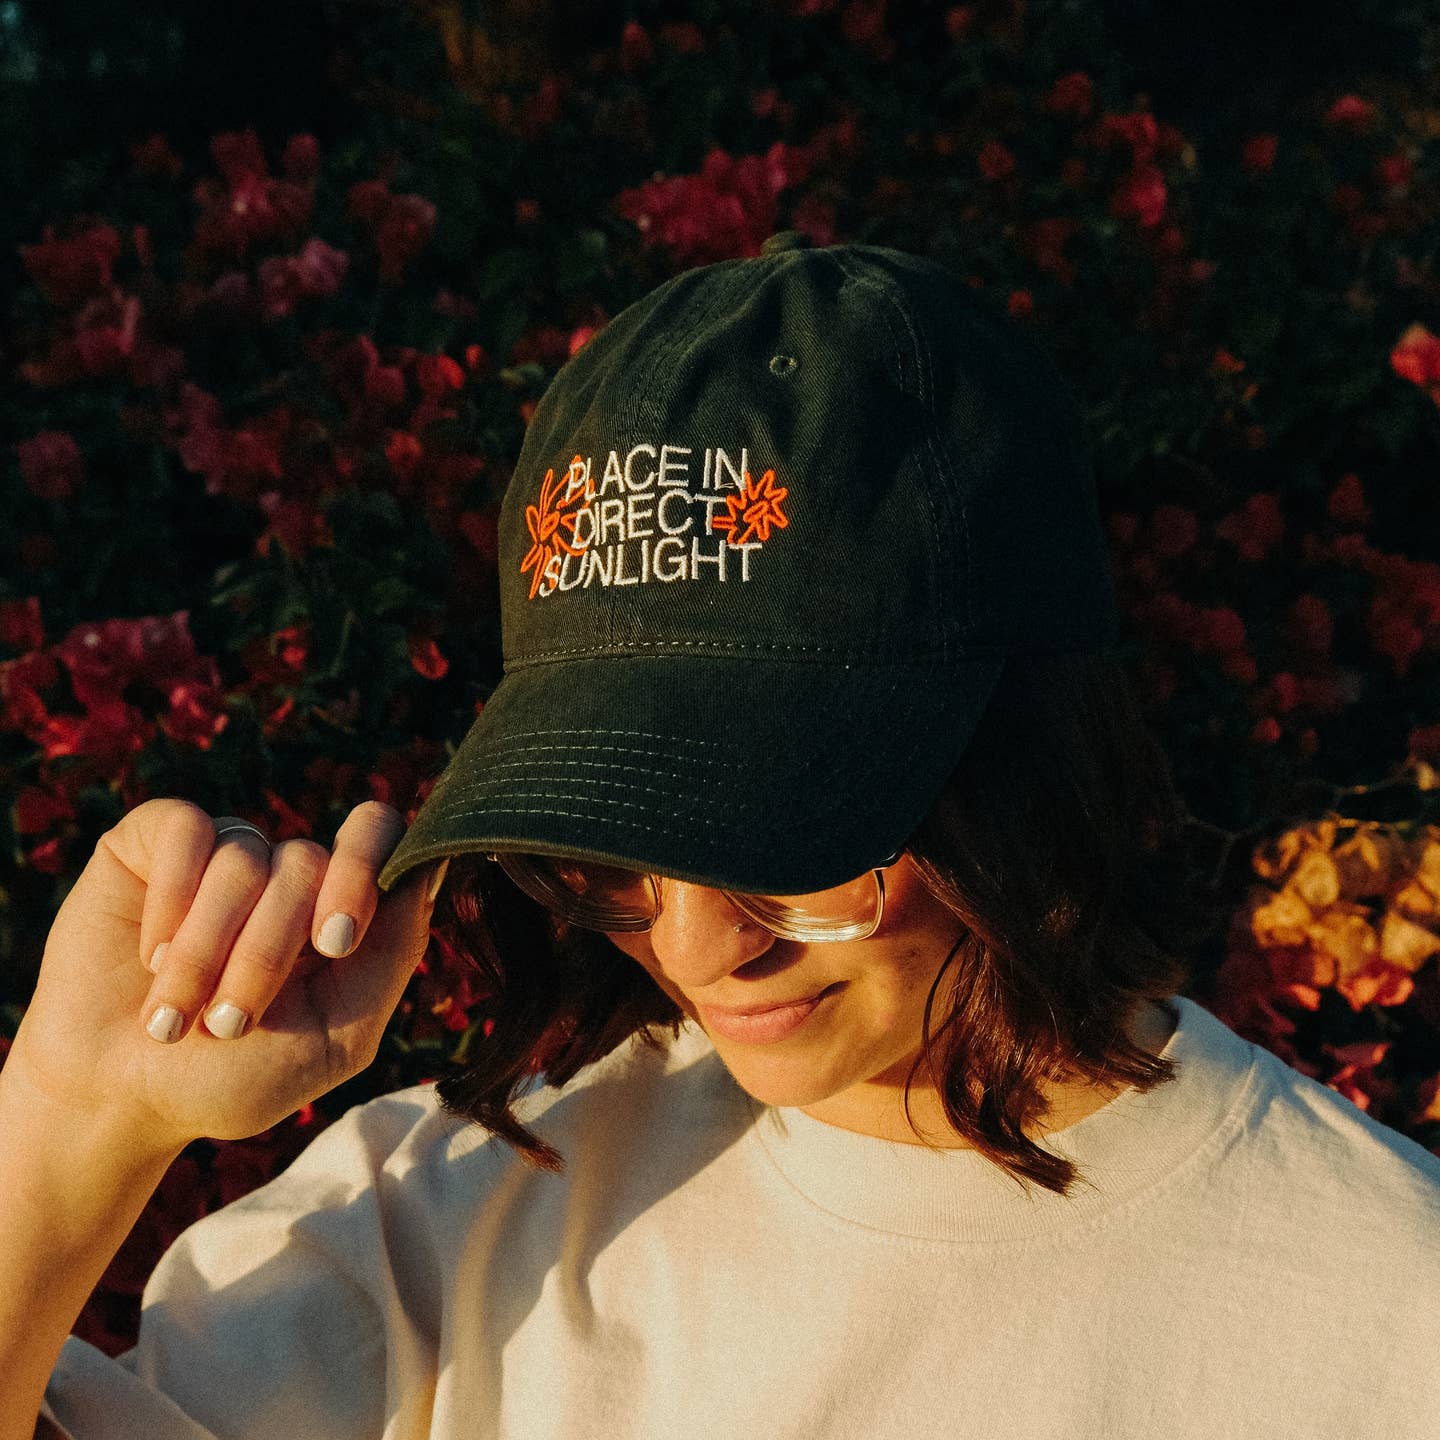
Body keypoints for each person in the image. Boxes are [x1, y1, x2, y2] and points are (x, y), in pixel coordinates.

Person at [3, 233, 1438, 1440]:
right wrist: (71, 1123)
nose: (698, 946)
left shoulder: (1377, 1313)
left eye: (790, 838)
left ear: (1022, 765)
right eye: (610, 851)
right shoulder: (438, 1232)